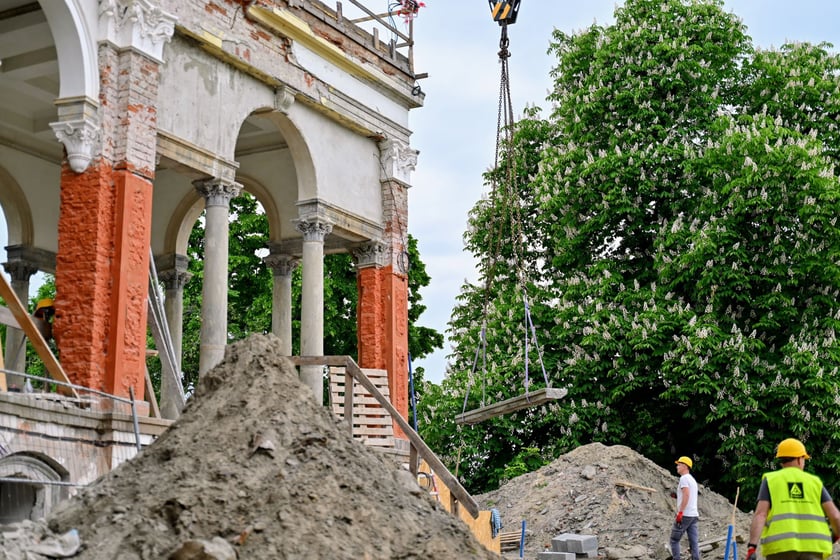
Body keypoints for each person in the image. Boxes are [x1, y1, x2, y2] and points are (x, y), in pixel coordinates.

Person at [746, 438, 840, 560]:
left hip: (781, 548)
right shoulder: (814, 482)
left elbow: (760, 514)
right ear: (799, 459)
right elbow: (835, 516)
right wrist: (837, 534)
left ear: (781, 460)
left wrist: (752, 547)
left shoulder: (771, 480)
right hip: (813, 547)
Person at [671, 455, 700, 560]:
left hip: (685, 515)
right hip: (693, 515)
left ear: (685, 466)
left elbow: (687, 494)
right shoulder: (692, 480)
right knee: (694, 542)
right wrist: (678, 496)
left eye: (679, 465)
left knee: (674, 540)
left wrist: (680, 512)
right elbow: (689, 495)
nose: (677, 467)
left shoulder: (683, 479)